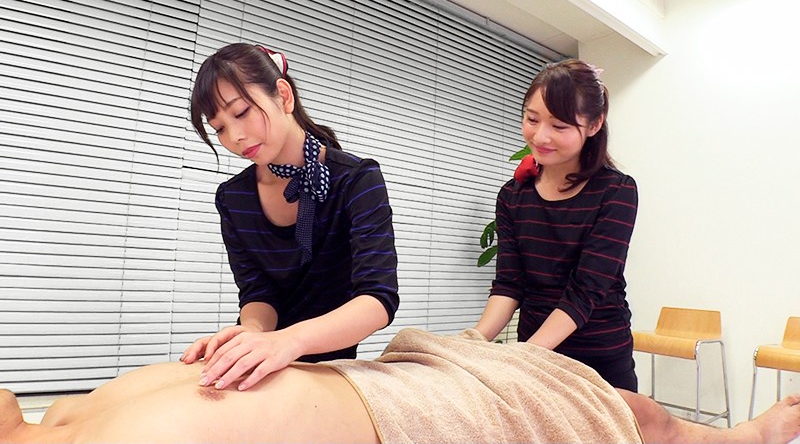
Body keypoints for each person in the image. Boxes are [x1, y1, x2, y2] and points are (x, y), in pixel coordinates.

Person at [2, 328, 799, 443]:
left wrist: (263, 334)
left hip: (382, 372)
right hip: (411, 420)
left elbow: (370, 295)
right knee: (630, 416)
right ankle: (744, 438)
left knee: (608, 398)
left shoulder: (68, 411)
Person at [181, 42, 399, 391]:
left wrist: (288, 342)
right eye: (219, 128)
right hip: (264, 360)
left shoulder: (356, 180)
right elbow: (259, 291)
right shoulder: (233, 198)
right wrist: (250, 333)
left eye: (241, 112)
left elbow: (377, 300)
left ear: (283, 96)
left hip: (330, 372)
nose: (235, 137)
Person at [475, 58, 639, 391]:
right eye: (532, 119)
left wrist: (526, 354)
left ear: (594, 124)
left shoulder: (616, 191)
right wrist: (472, 341)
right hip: (536, 358)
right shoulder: (512, 196)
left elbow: (585, 292)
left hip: (599, 360)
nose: (541, 136)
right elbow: (509, 284)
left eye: (560, 126)